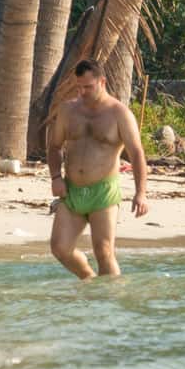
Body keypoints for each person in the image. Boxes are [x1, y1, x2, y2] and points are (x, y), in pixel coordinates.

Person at [44, 58, 150, 279]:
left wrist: (141, 193)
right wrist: (56, 177)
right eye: (79, 86)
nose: (82, 92)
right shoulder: (68, 110)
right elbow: (54, 147)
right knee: (60, 248)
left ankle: (110, 303)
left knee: (103, 252)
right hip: (72, 191)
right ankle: (89, 280)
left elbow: (137, 153)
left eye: (88, 87)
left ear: (102, 81)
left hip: (103, 193)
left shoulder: (119, 114)